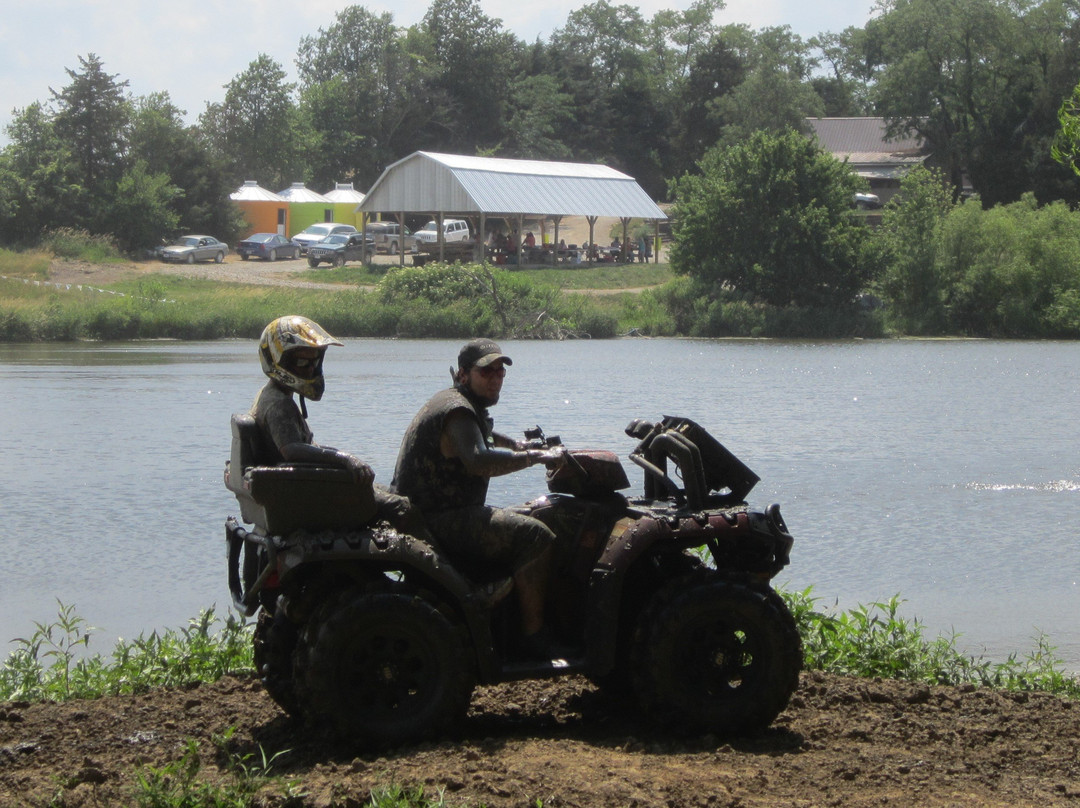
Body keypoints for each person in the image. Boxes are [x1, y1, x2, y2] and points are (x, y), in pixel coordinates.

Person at [392, 338, 565, 659]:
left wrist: (518, 446)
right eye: (486, 371)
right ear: (462, 375)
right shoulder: (457, 411)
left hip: (427, 514)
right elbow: (478, 459)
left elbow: (483, 434)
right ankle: (533, 635)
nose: (496, 377)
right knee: (537, 536)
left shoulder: (458, 404)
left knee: (540, 513)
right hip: (436, 520)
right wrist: (537, 457)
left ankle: (502, 599)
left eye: (500, 371)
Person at [250, 315, 424, 536]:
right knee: (403, 508)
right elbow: (291, 449)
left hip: (304, 485)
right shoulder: (278, 404)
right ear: (278, 360)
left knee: (388, 491)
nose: (310, 369)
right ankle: (440, 567)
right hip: (305, 491)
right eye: (303, 362)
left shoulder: (273, 395)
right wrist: (344, 458)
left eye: (314, 362)